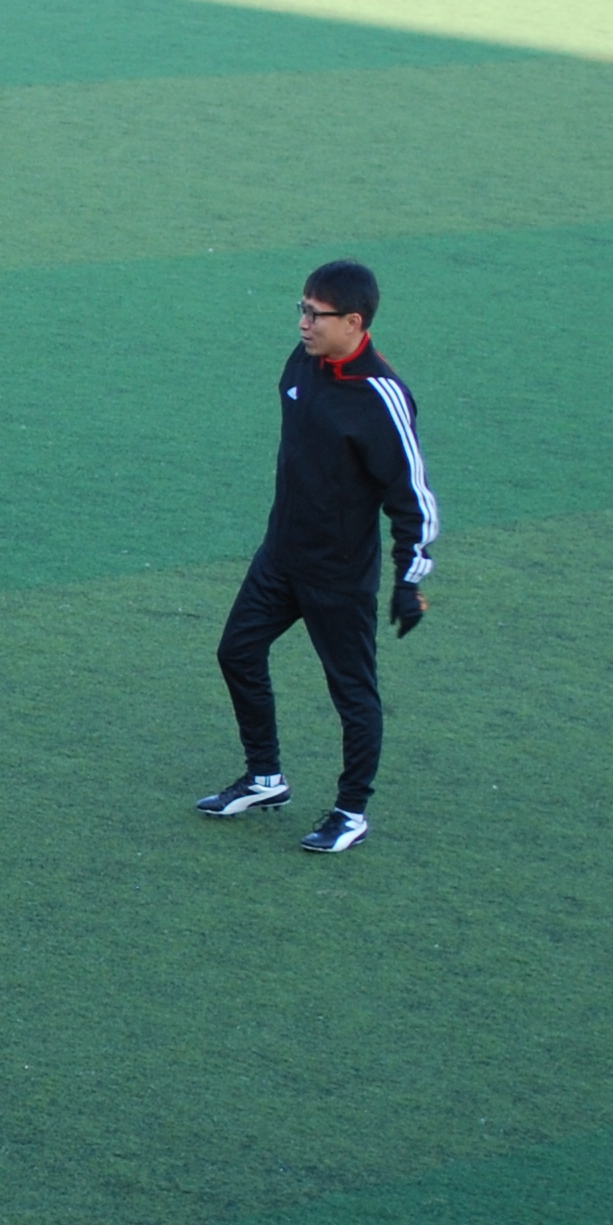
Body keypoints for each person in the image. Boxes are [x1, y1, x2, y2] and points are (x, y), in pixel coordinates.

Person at [195, 259, 436, 856]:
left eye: (315, 314)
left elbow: (412, 496)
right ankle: (265, 778)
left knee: (352, 695)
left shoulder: (381, 396)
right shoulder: (302, 362)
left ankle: (350, 812)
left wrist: (409, 579)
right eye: (300, 309)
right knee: (236, 652)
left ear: (354, 322)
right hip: (280, 557)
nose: (303, 323)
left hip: (339, 576)